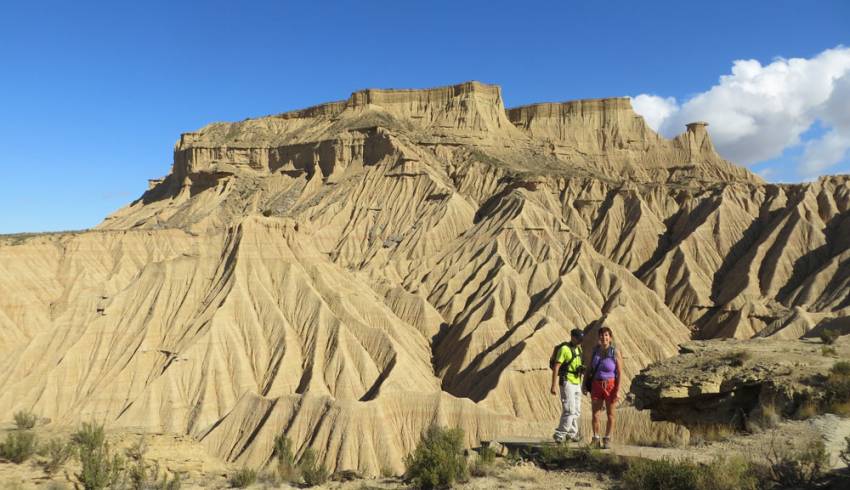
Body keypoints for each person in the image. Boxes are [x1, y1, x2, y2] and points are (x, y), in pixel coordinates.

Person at [587, 326, 623, 449]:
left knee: (610, 414)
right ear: (599, 338)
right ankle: (596, 438)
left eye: (606, 335)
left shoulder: (615, 352)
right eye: (602, 335)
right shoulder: (595, 351)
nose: (604, 337)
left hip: (610, 385)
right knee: (595, 414)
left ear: (610, 338)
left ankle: (607, 439)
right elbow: (589, 368)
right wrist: (584, 383)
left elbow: (620, 373)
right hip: (596, 384)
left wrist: (617, 390)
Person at [550, 328, 585, 443]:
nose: (580, 342)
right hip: (566, 382)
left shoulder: (578, 349)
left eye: (581, 340)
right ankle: (559, 434)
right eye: (579, 339)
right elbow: (556, 367)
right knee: (569, 410)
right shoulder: (564, 349)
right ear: (572, 337)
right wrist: (553, 385)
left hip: (576, 382)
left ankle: (572, 434)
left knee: (577, 411)